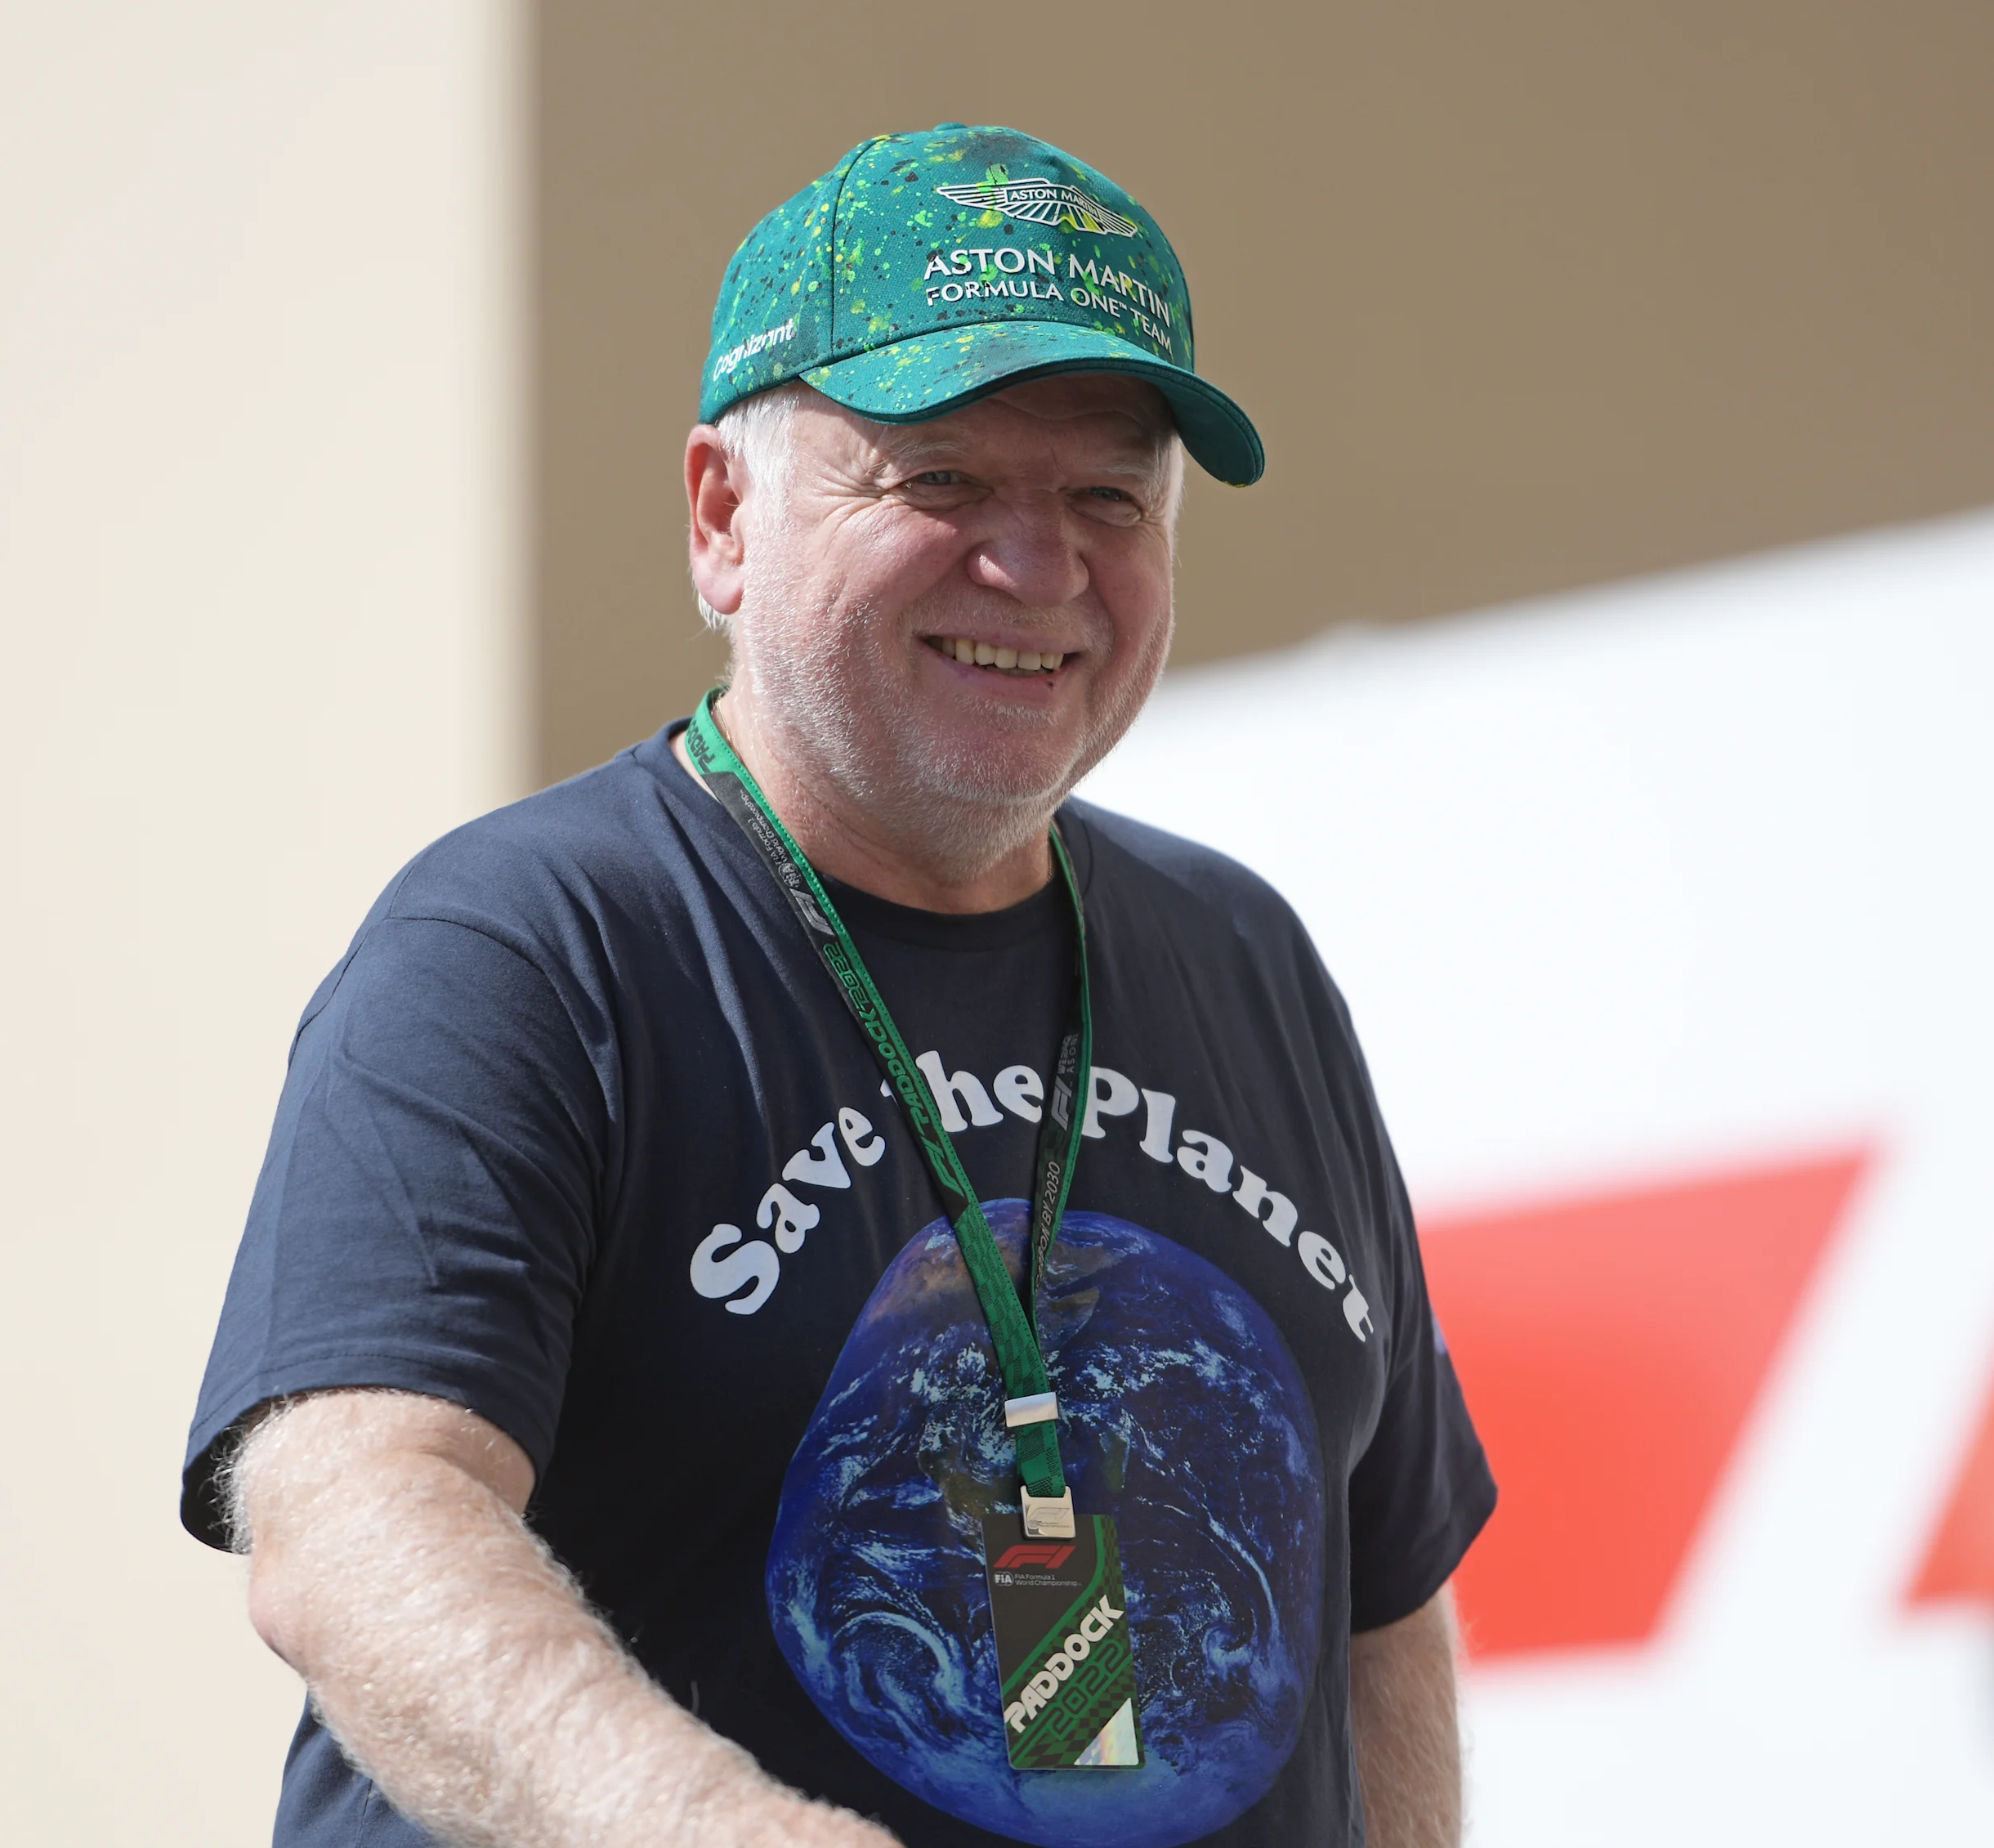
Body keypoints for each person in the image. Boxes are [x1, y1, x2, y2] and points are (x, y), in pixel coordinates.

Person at [183, 123, 1495, 1848]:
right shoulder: (524, 947)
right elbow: (351, 1519)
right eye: (938, 481)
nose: (1036, 569)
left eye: (1108, 496)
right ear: (725, 516)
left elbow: (1380, 1607)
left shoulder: (1240, 957)